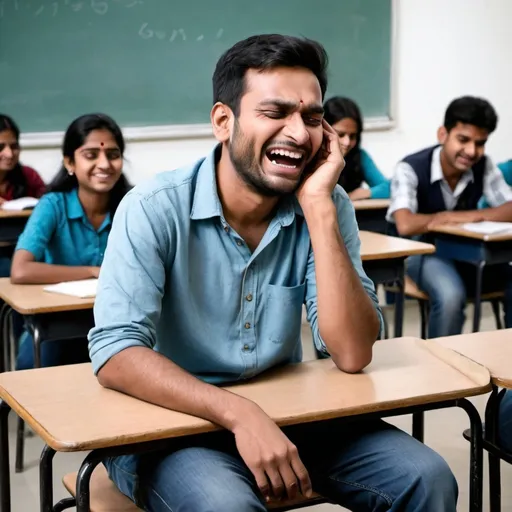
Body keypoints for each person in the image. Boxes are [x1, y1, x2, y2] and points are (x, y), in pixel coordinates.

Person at [89, 35, 457, 511]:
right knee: (227, 507)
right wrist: (238, 414)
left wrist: (321, 208)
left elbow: (351, 353)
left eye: (311, 117)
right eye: (275, 112)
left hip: (292, 416)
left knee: (427, 478)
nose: (300, 134)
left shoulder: (324, 202)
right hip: (172, 427)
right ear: (224, 121)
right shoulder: (153, 208)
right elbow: (116, 351)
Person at [11, 113, 131, 370]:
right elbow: (20, 270)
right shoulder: (53, 206)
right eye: (91, 155)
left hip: (117, 322)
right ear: (70, 162)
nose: (104, 164)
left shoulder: (132, 206)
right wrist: (91, 272)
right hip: (56, 322)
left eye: (113, 154)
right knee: (34, 369)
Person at [387, 96, 512, 338]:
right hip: (426, 255)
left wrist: (460, 217)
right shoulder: (410, 167)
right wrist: (440, 218)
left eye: (480, 143)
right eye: (463, 140)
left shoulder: (482, 165)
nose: (472, 151)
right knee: (451, 297)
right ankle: (441, 370)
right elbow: (405, 223)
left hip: (469, 255)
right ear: (443, 134)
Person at [0, 114, 46, 277]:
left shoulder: (28, 175)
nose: (9, 154)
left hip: (25, 248)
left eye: (14, 146)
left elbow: (49, 203)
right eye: (1, 147)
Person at [323, 96, 389, 200]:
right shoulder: (311, 156)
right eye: (340, 134)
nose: (347, 142)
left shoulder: (360, 156)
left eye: (352, 136)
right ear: (324, 129)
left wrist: (363, 193)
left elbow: (392, 187)